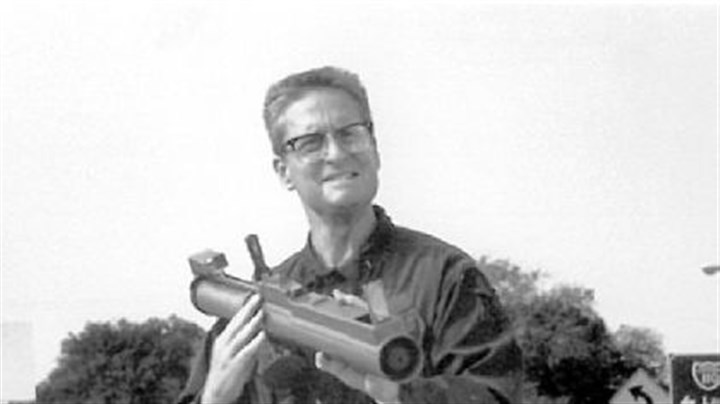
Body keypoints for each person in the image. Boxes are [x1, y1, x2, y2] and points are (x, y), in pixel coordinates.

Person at [178, 66, 522, 404]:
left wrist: (399, 394)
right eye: (310, 143)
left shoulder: (444, 278)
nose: (336, 153)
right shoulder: (248, 312)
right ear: (284, 171)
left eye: (350, 134)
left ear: (375, 148)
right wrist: (215, 397)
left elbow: (496, 394)